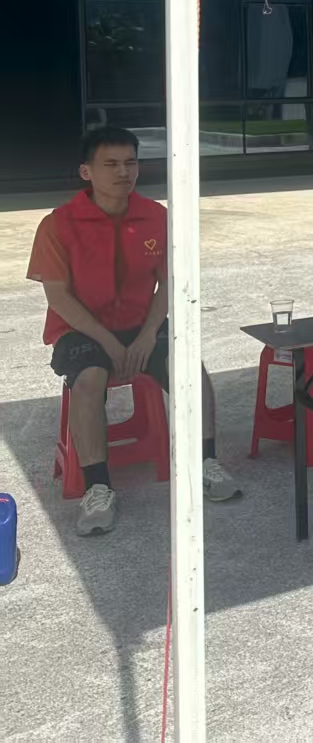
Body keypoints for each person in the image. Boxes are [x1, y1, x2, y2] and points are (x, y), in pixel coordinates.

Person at [28, 126, 241, 538]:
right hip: (81, 330)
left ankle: (205, 461)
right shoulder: (58, 224)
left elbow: (170, 283)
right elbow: (58, 297)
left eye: (130, 162)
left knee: (188, 364)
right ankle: (98, 488)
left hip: (142, 324)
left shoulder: (156, 216)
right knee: (89, 380)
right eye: (110, 164)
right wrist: (108, 342)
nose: (123, 172)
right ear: (86, 172)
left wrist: (147, 335)